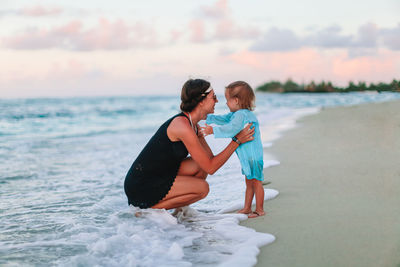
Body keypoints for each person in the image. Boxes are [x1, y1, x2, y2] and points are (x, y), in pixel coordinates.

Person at [124, 79, 255, 211]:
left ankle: (180, 211)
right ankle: (146, 211)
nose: (217, 101)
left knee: (200, 165)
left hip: (162, 174)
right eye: (213, 97)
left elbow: (208, 162)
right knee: (202, 188)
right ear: (201, 101)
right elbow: (212, 167)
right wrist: (236, 141)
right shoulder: (182, 125)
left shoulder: (194, 125)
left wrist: (230, 133)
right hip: (142, 184)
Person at [200, 81, 265, 218]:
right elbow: (225, 119)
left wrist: (213, 130)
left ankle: (259, 209)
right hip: (248, 157)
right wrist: (209, 117)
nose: (226, 103)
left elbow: (231, 129)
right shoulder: (240, 114)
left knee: (256, 182)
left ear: (236, 101)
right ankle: (247, 208)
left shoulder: (241, 115)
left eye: (227, 100)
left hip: (253, 157)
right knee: (249, 182)